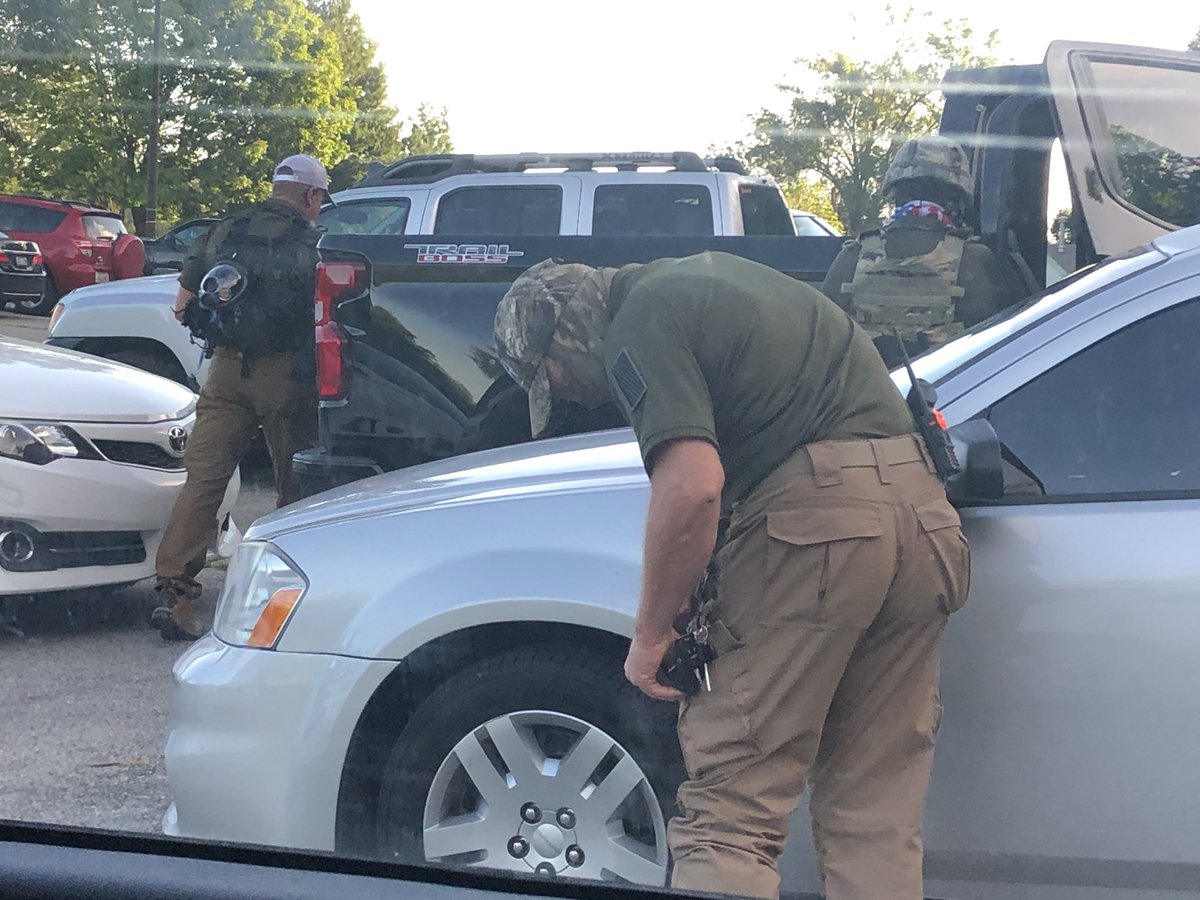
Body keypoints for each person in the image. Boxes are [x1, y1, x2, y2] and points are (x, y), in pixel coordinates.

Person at [493, 253, 971, 899]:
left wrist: (651, 634)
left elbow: (692, 488)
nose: (577, 396)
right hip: (925, 525)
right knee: (873, 813)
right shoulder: (726, 279)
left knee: (730, 816)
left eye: (555, 378)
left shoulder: (638, 319)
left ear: (567, 331)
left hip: (822, 532)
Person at [150, 154, 329, 642]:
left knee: (204, 481)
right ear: (311, 198)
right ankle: (286, 596)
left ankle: (176, 593)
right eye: (320, 200)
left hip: (226, 370)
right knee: (294, 483)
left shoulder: (224, 230)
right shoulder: (314, 244)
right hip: (287, 375)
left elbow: (183, 304)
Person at [821, 135, 1021, 368]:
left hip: (869, 399)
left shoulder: (853, 256)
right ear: (957, 199)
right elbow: (1003, 349)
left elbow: (822, 341)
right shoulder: (974, 260)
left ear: (894, 193)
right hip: (949, 399)